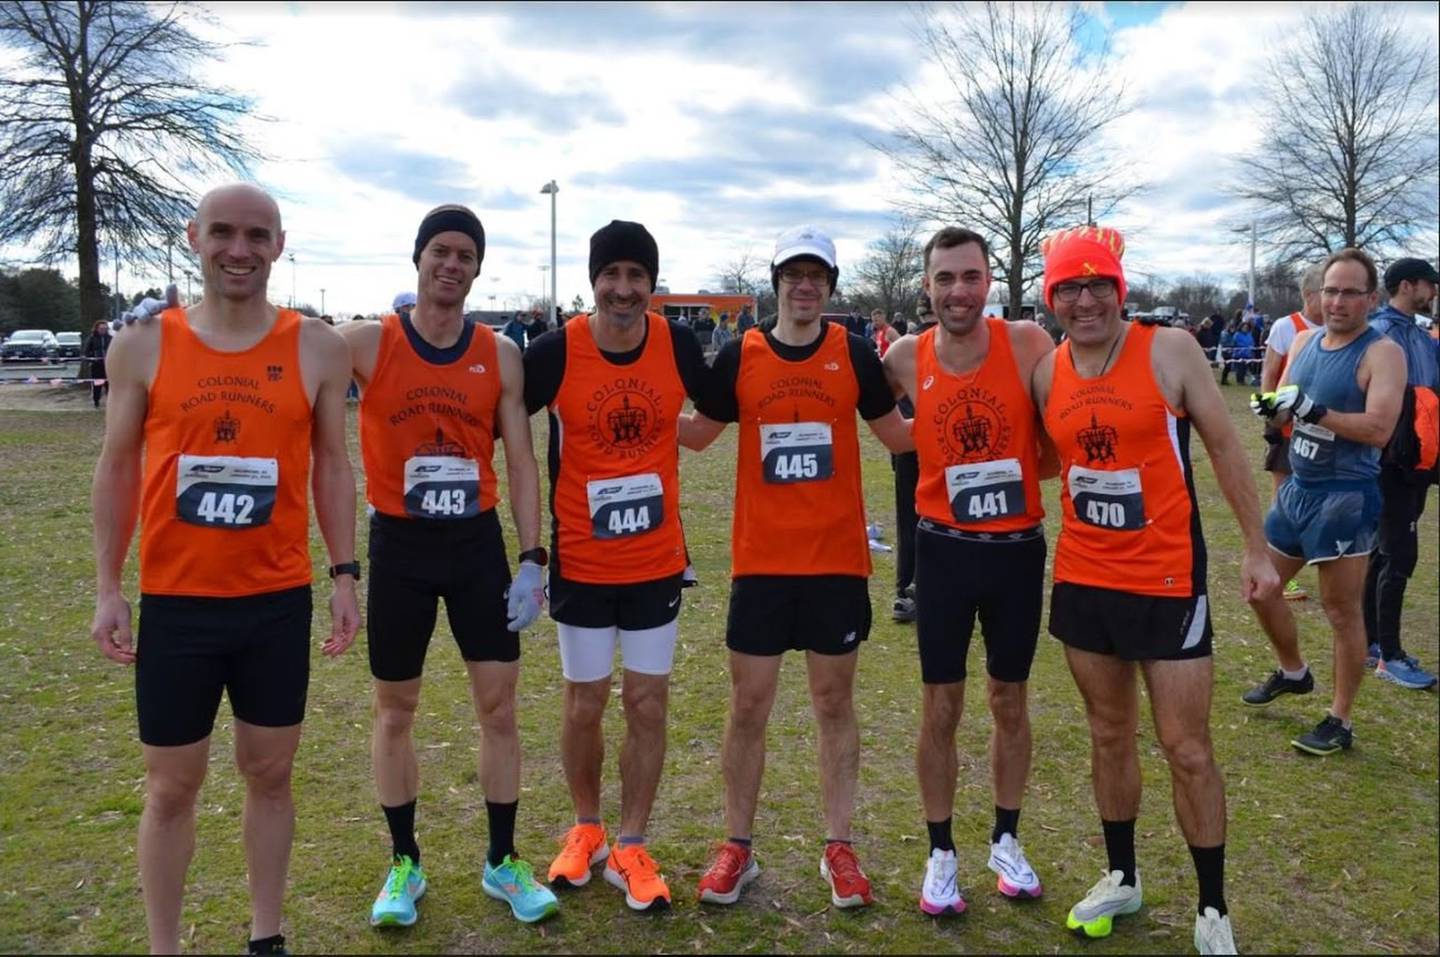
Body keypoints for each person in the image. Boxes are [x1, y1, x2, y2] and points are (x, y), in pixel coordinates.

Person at [89, 183, 360, 956]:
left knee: (269, 774)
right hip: (177, 603)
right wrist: (109, 587)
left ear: (279, 244)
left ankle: (265, 936)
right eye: (222, 233)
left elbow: (334, 467)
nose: (238, 249)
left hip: (275, 602)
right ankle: (164, 945)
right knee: (172, 787)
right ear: (193, 238)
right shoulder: (143, 343)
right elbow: (115, 468)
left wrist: (345, 574)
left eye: (255, 234)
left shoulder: (317, 345)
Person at [1032, 225, 1278, 955]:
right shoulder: (1048, 371)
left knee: (1187, 746)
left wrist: (1256, 549)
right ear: (1052, 298)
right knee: (1109, 734)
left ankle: (1212, 908)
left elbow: (1226, 446)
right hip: (1083, 578)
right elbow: (1050, 460)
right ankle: (1123, 876)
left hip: (1167, 579)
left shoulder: (1167, 348)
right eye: (1068, 288)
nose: (1085, 300)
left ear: (1120, 287)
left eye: (1097, 284)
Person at [679, 225, 912, 910]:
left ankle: (839, 847)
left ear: (830, 286)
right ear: (776, 281)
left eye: (818, 275)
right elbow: (696, 435)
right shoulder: (742, 355)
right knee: (748, 706)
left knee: (833, 704)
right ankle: (738, 847)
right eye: (794, 273)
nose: (805, 285)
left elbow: (897, 435)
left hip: (836, 564)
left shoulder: (856, 354)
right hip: (762, 565)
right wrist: (625, 401)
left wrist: (956, 401)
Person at [339, 205, 557, 927]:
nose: (452, 264)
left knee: (499, 706)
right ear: (418, 258)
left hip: (474, 547)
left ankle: (502, 861)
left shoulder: (499, 353)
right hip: (400, 547)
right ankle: (403, 861)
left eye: (465, 254)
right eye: (441, 251)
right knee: (394, 708)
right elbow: (280, 352)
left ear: (476, 267)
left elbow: (521, 460)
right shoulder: (369, 342)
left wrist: (531, 557)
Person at [522, 221, 708, 912]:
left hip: (656, 561)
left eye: (638, 275)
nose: (624, 288)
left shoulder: (678, 342)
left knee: (646, 701)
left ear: (651, 284)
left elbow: (721, 405)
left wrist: (678, 434)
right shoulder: (554, 351)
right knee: (586, 701)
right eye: (613, 275)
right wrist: (531, 548)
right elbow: (507, 430)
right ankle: (587, 827)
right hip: (581, 562)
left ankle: (631, 840)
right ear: (593, 279)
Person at [883, 227, 1056, 916]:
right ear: (926, 286)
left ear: (991, 281)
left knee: (1009, 700)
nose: (959, 290)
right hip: (944, 550)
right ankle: (941, 851)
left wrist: (1015, 474)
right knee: (941, 704)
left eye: (971, 276)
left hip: (1017, 548)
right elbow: (876, 423)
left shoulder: (1026, 343)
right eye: (945, 278)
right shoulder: (903, 355)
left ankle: (1006, 839)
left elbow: (1060, 433)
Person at [1243, 247, 1407, 752]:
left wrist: (1313, 409)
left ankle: (1340, 719)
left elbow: (1379, 429)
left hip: (1345, 496)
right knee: (1260, 589)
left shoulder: (1382, 353)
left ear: (1370, 298)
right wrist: (1271, 410)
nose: (1336, 301)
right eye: (1329, 290)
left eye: (1349, 292)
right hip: (1297, 487)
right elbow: (1286, 413)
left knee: (1340, 612)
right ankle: (1294, 671)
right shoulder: (1306, 341)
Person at [1362, 257, 1440, 689]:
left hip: (1419, 458)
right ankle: (1388, 656)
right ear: (1408, 286)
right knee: (1399, 555)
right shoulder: (1382, 333)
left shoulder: (1419, 333)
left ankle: (1370, 642)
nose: (1433, 292)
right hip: (1393, 459)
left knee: (1384, 551)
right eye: (1430, 284)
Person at [889, 299, 936, 623]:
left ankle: (907, 590)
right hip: (932, 446)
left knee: (910, 521)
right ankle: (918, 590)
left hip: (911, 445)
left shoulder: (905, 348)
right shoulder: (921, 346)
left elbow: (887, 405)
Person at [83, 319, 112, 407]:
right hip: (96, 364)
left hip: (108, 364)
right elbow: (86, 351)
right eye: (101, 328)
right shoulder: (92, 338)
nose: (103, 330)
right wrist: (91, 358)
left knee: (109, 384)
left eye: (105, 328)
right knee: (97, 384)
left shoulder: (110, 338)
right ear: (97, 329)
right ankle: (96, 401)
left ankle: (110, 402)